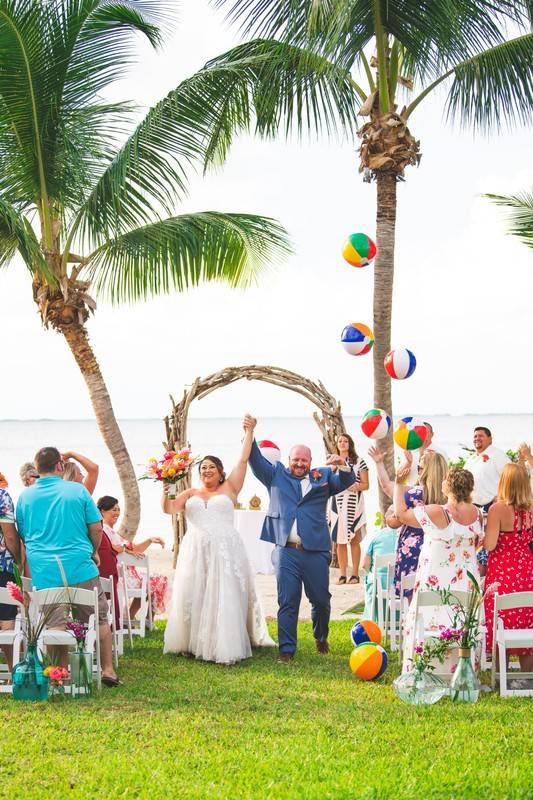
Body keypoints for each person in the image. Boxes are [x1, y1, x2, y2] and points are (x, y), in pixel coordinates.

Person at [162, 421, 274, 664]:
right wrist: (167, 485)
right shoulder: (190, 493)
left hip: (225, 549)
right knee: (195, 591)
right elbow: (169, 508)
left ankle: (224, 641)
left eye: (211, 467)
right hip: (195, 548)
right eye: (203, 467)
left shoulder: (230, 487)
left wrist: (249, 432)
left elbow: (242, 461)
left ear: (220, 471)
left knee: (223, 593)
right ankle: (191, 642)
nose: (207, 471)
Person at [247, 415, 355, 662]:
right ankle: (286, 650)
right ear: (288, 461)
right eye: (295, 459)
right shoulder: (275, 475)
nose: (299, 464)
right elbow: (254, 460)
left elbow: (347, 481)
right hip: (286, 550)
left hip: (316, 550)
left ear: (310, 462)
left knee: (321, 600)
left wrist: (344, 464)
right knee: (287, 599)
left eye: (304, 460)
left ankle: (321, 636)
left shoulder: (324, 476)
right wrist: (251, 432)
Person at [14, 447, 118, 686]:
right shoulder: (77, 491)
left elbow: (23, 533)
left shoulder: (25, 497)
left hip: (45, 570)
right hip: (80, 567)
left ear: (37, 469)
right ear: (60, 466)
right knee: (98, 618)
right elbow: (96, 528)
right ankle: (108, 671)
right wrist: (92, 551)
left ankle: (58, 674)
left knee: (55, 624)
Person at [395, 468, 482, 674]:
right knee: (461, 619)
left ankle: (427, 669)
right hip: (465, 581)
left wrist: (399, 484)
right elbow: (479, 544)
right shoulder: (478, 514)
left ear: (448, 486)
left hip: (435, 578)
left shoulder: (436, 511)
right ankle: (460, 669)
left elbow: (401, 515)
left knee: (430, 614)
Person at [368, 447, 448, 600]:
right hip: (439, 551)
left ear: (426, 471)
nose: (418, 471)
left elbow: (394, 518)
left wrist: (398, 481)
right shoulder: (449, 498)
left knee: (412, 604)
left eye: (419, 468)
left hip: (412, 552)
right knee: (436, 599)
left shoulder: (413, 495)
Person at [484, 464, 533, 674]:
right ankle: (526, 675)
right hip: (527, 569)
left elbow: (490, 545)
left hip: (502, 570)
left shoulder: (497, 509)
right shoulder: (530, 508)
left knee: (500, 618)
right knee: (527, 620)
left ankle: (500, 675)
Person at [97, 495, 168, 618]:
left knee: (156, 580)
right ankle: (144, 619)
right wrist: (126, 549)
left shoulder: (111, 531)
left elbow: (135, 548)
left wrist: (149, 540)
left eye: (118, 510)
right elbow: (114, 548)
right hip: (120, 577)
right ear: (103, 511)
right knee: (159, 580)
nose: (117, 513)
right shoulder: (103, 529)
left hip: (125, 576)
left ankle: (133, 616)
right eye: (113, 510)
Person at [464, 426, 509, 572]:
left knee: (489, 545)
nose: (477, 438)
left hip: (492, 506)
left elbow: (510, 478)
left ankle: (491, 573)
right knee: (475, 545)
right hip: (473, 508)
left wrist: (501, 496)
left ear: (490, 439)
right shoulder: (471, 459)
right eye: (475, 436)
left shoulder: (498, 456)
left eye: (481, 436)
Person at [328, 433, 369, 585]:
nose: (343, 443)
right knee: (339, 541)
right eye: (340, 441)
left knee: (354, 539)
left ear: (350, 444)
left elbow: (366, 484)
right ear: (337, 444)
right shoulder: (332, 463)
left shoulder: (359, 462)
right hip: (337, 502)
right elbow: (326, 481)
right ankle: (342, 574)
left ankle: (355, 574)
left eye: (346, 441)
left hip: (354, 502)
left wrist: (356, 486)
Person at [361, 506, 402, 621]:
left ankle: (373, 620)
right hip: (401, 586)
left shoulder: (375, 536)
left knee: (369, 578)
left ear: (386, 518)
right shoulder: (410, 538)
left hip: (379, 586)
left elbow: (365, 565)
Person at [0, 485, 21, 672]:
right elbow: (10, 537)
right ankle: (13, 671)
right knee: (6, 619)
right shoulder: (2, 496)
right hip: (1, 567)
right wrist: (19, 561)